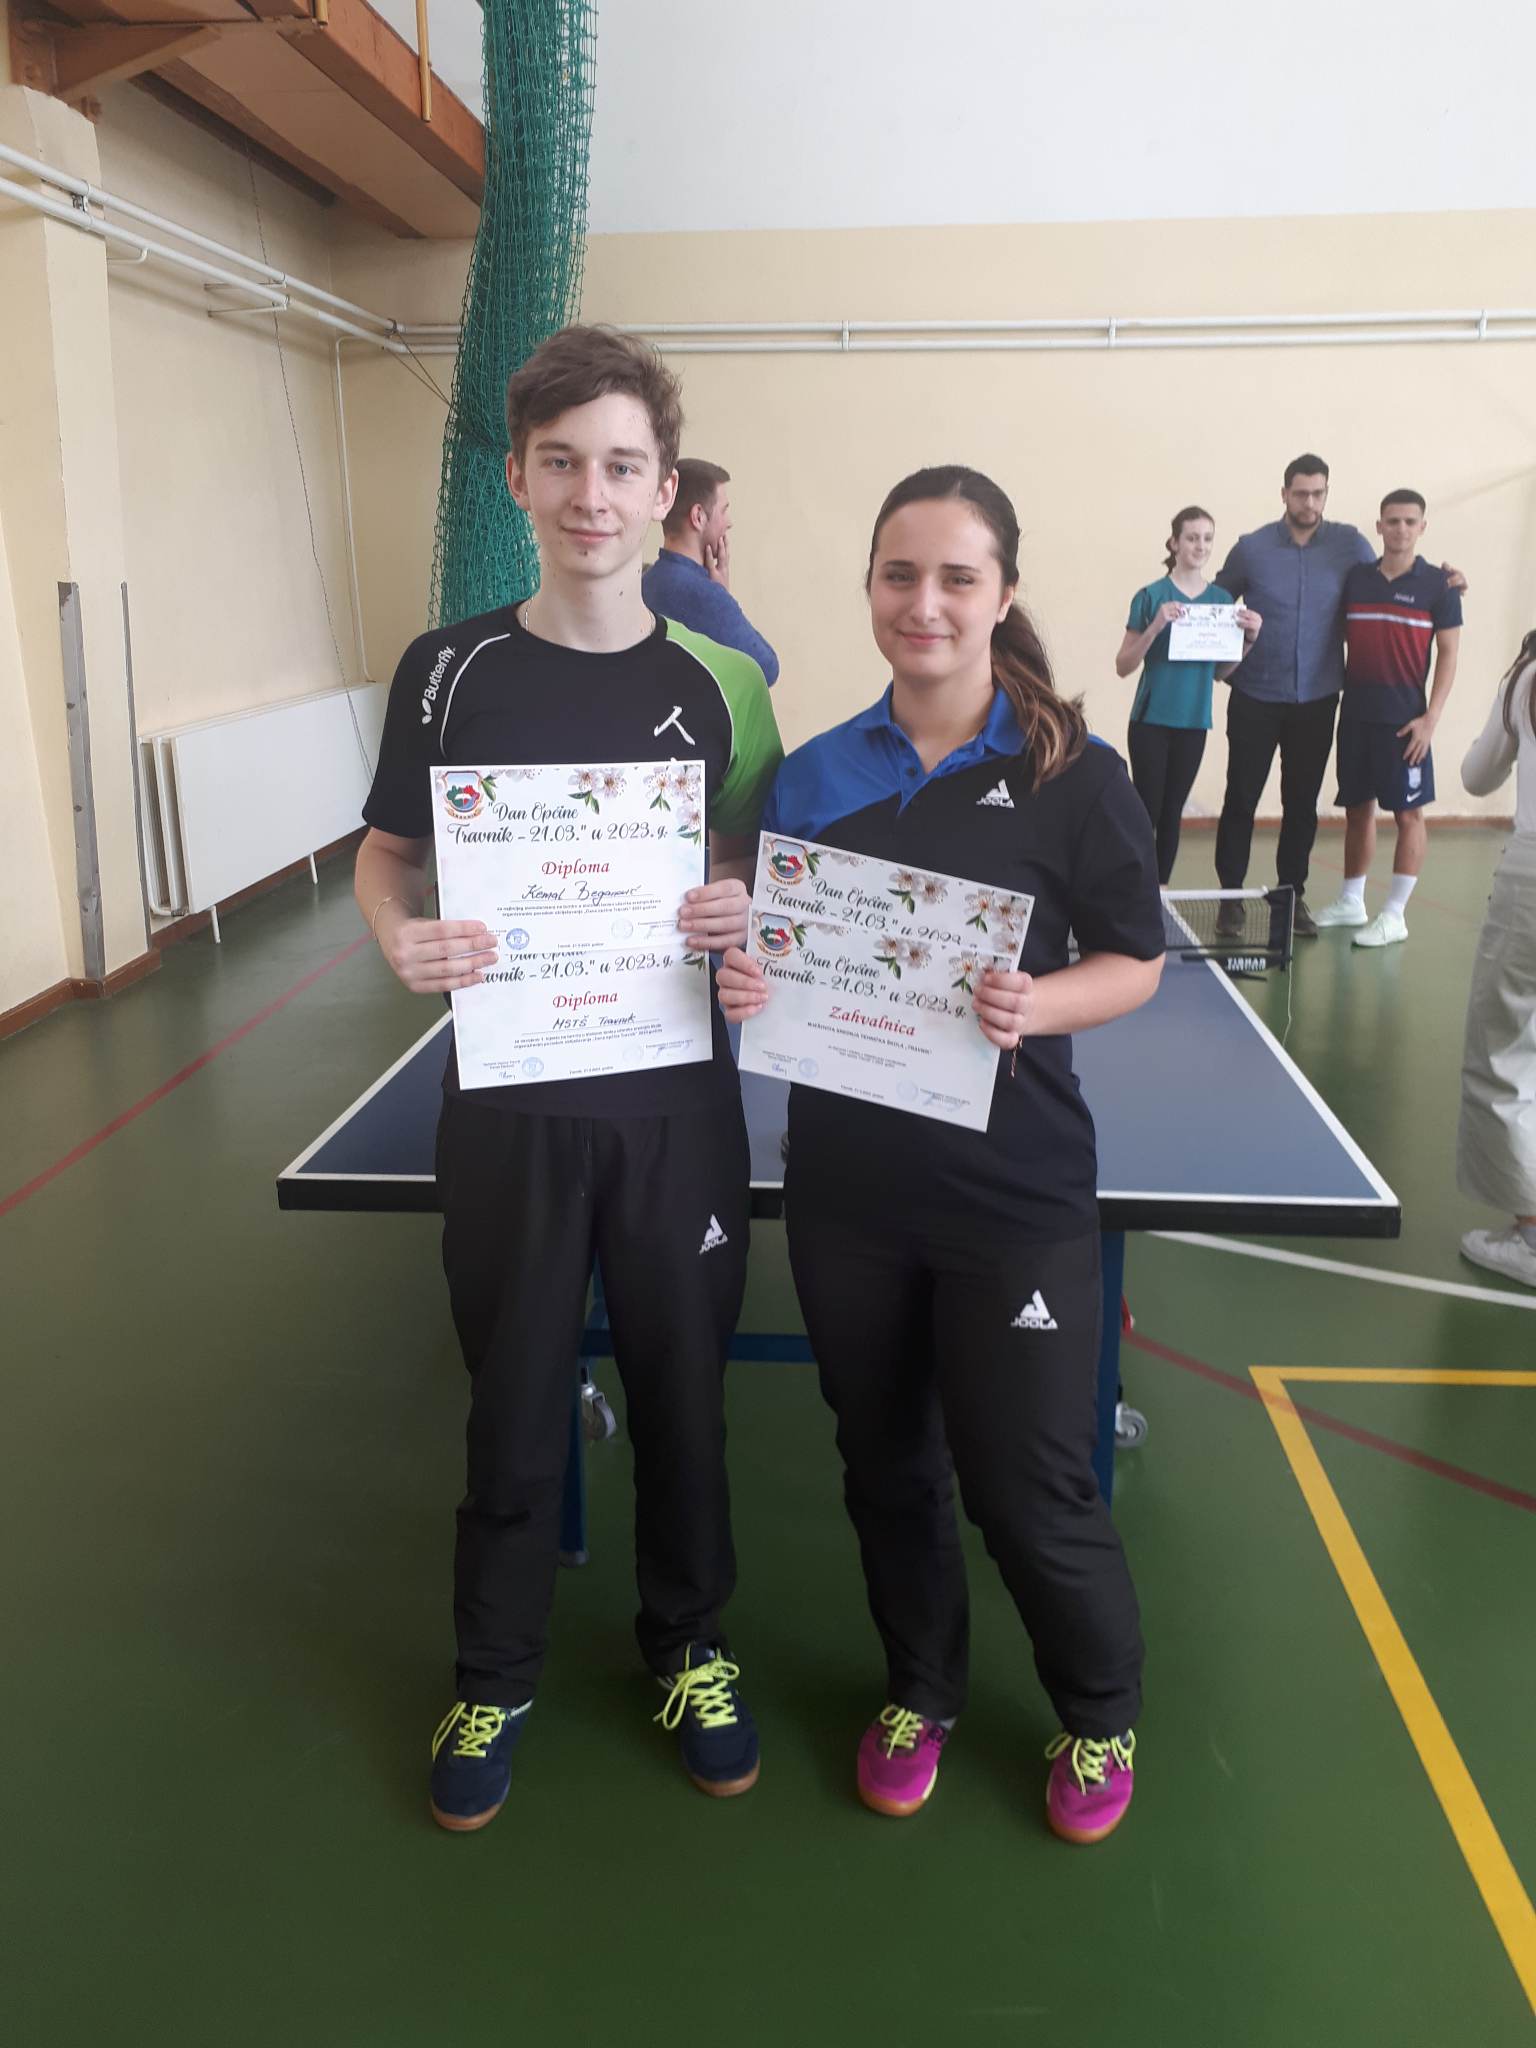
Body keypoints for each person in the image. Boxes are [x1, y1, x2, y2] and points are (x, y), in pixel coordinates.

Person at [354, 326, 783, 1832]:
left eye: (620, 466)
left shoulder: (726, 681)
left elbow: (752, 862)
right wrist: (400, 939)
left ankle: (690, 1644)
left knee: (682, 1397)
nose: (591, 495)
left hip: (676, 1106)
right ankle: (494, 1671)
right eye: (561, 464)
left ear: (666, 490)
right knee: (516, 1397)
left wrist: (741, 907)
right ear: (520, 480)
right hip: (510, 1106)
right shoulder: (445, 669)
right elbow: (387, 858)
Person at [718, 465, 1165, 1845]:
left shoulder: (1074, 777)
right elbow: (777, 949)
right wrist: (748, 978)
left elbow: (1135, 961)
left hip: (1013, 1196)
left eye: (957, 577)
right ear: (870, 587)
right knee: (886, 1464)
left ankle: (1099, 1710)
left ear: (1002, 593)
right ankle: (922, 1688)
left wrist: (1041, 1002)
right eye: (900, 574)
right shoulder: (812, 775)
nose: (926, 602)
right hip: (847, 1195)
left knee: (1029, 1486)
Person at [1211, 455, 1379, 937]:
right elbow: (1215, 601)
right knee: (1240, 798)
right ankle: (1230, 899)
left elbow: (1389, 582)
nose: (1309, 502)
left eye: (1318, 493)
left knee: (1302, 804)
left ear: (1326, 494)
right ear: (1284, 493)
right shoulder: (1252, 548)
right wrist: (1170, 602)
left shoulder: (1350, 545)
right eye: (1301, 493)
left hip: (1318, 698)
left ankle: (1290, 898)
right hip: (1255, 695)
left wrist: (1441, 582)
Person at [1312, 491, 1462, 946]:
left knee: (1408, 814)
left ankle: (1395, 915)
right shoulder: (1357, 579)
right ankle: (1351, 900)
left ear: (1422, 528)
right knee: (1358, 809)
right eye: (1392, 521)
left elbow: (1449, 654)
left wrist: (1430, 720)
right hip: (1356, 716)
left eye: (1409, 521)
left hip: (1405, 724)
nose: (1400, 529)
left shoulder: (1439, 586)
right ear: (1379, 526)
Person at [1115, 506, 1261, 884]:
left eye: (1207, 539)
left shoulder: (1222, 602)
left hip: (1194, 722)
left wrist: (1249, 640)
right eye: (1192, 538)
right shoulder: (1151, 596)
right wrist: (1155, 626)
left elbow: (1219, 673)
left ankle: (1160, 889)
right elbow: (1124, 665)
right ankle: (1133, 886)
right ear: (1174, 543)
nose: (1200, 546)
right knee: (1145, 810)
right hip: (1150, 720)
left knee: (1171, 812)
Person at [1457, 632, 1536, 1288]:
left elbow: (1478, 777)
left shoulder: (1525, 678)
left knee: (1502, 1051)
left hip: (1531, 878)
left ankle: (1532, 1240)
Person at [642, 458, 781, 685]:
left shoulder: (646, 581)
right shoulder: (701, 594)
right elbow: (767, 669)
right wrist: (723, 596)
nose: (729, 522)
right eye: (724, 510)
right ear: (698, 517)